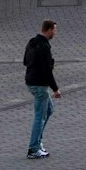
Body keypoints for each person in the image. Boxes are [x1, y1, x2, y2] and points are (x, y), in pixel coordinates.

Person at [23, 20, 60, 159]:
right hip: (39, 85)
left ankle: (37, 142)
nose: (55, 33)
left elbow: (25, 61)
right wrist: (55, 89)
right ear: (49, 30)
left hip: (31, 81)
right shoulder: (44, 46)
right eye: (55, 30)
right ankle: (33, 148)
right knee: (40, 116)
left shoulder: (32, 42)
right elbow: (47, 71)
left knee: (49, 110)